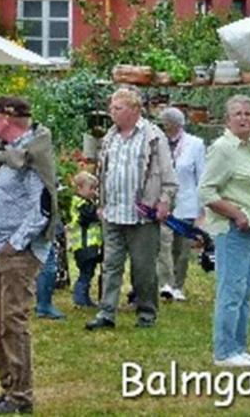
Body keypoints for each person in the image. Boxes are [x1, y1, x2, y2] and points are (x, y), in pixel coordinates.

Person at [0, 97, 56, 415]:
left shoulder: (33, 154)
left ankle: (21, 396)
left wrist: (16, 242)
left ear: (7, 119)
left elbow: (43, 207)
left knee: (13, 320)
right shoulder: (7, 154)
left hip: (17, 252)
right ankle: (8, 387)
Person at [85, 87, 177, 332]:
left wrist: (164, 201)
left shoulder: (153, 136)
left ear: (134, 110)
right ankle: (106, 313)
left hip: (142, 215)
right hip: (113, 212)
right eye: (112, 107)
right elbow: (103, 172)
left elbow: (168, 175)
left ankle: (147, 313)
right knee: (110, 264)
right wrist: (101, 203)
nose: (111, 112)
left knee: (143, 268)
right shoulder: (110, 137)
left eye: (118, 108)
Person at [198, 94, 250, 368]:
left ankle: (239, 348)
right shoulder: (223, 148)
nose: (243, 118)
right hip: (232, 230)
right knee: (231, 290)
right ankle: (224, 351)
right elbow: (206, 191)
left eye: (247, 113)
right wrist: (237, 214)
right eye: (237, 114)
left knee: (245, 290)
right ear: (227, 120)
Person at [157, 107, 206, 302]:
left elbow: (202, 176)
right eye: (164, 123)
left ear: (178, 124)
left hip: (187, 203)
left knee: (183, 250)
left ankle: (178, 285)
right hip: (163, 203)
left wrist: (203, 208)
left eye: (168, 122)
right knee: (163, 245)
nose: (165, 126)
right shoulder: (158, 143)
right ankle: (166, 284)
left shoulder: (195, 144)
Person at [68, 171, 101, 308]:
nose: (93, 192)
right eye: (91, 189)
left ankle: (85, 298)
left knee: (89, 272)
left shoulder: (87, 201)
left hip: (91, 245)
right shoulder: (79, 203)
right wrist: (98, 209)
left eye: (95, 189)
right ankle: (79, 298)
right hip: (83, 245)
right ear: (80, 188)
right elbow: (88, 215)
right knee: (85, 273)